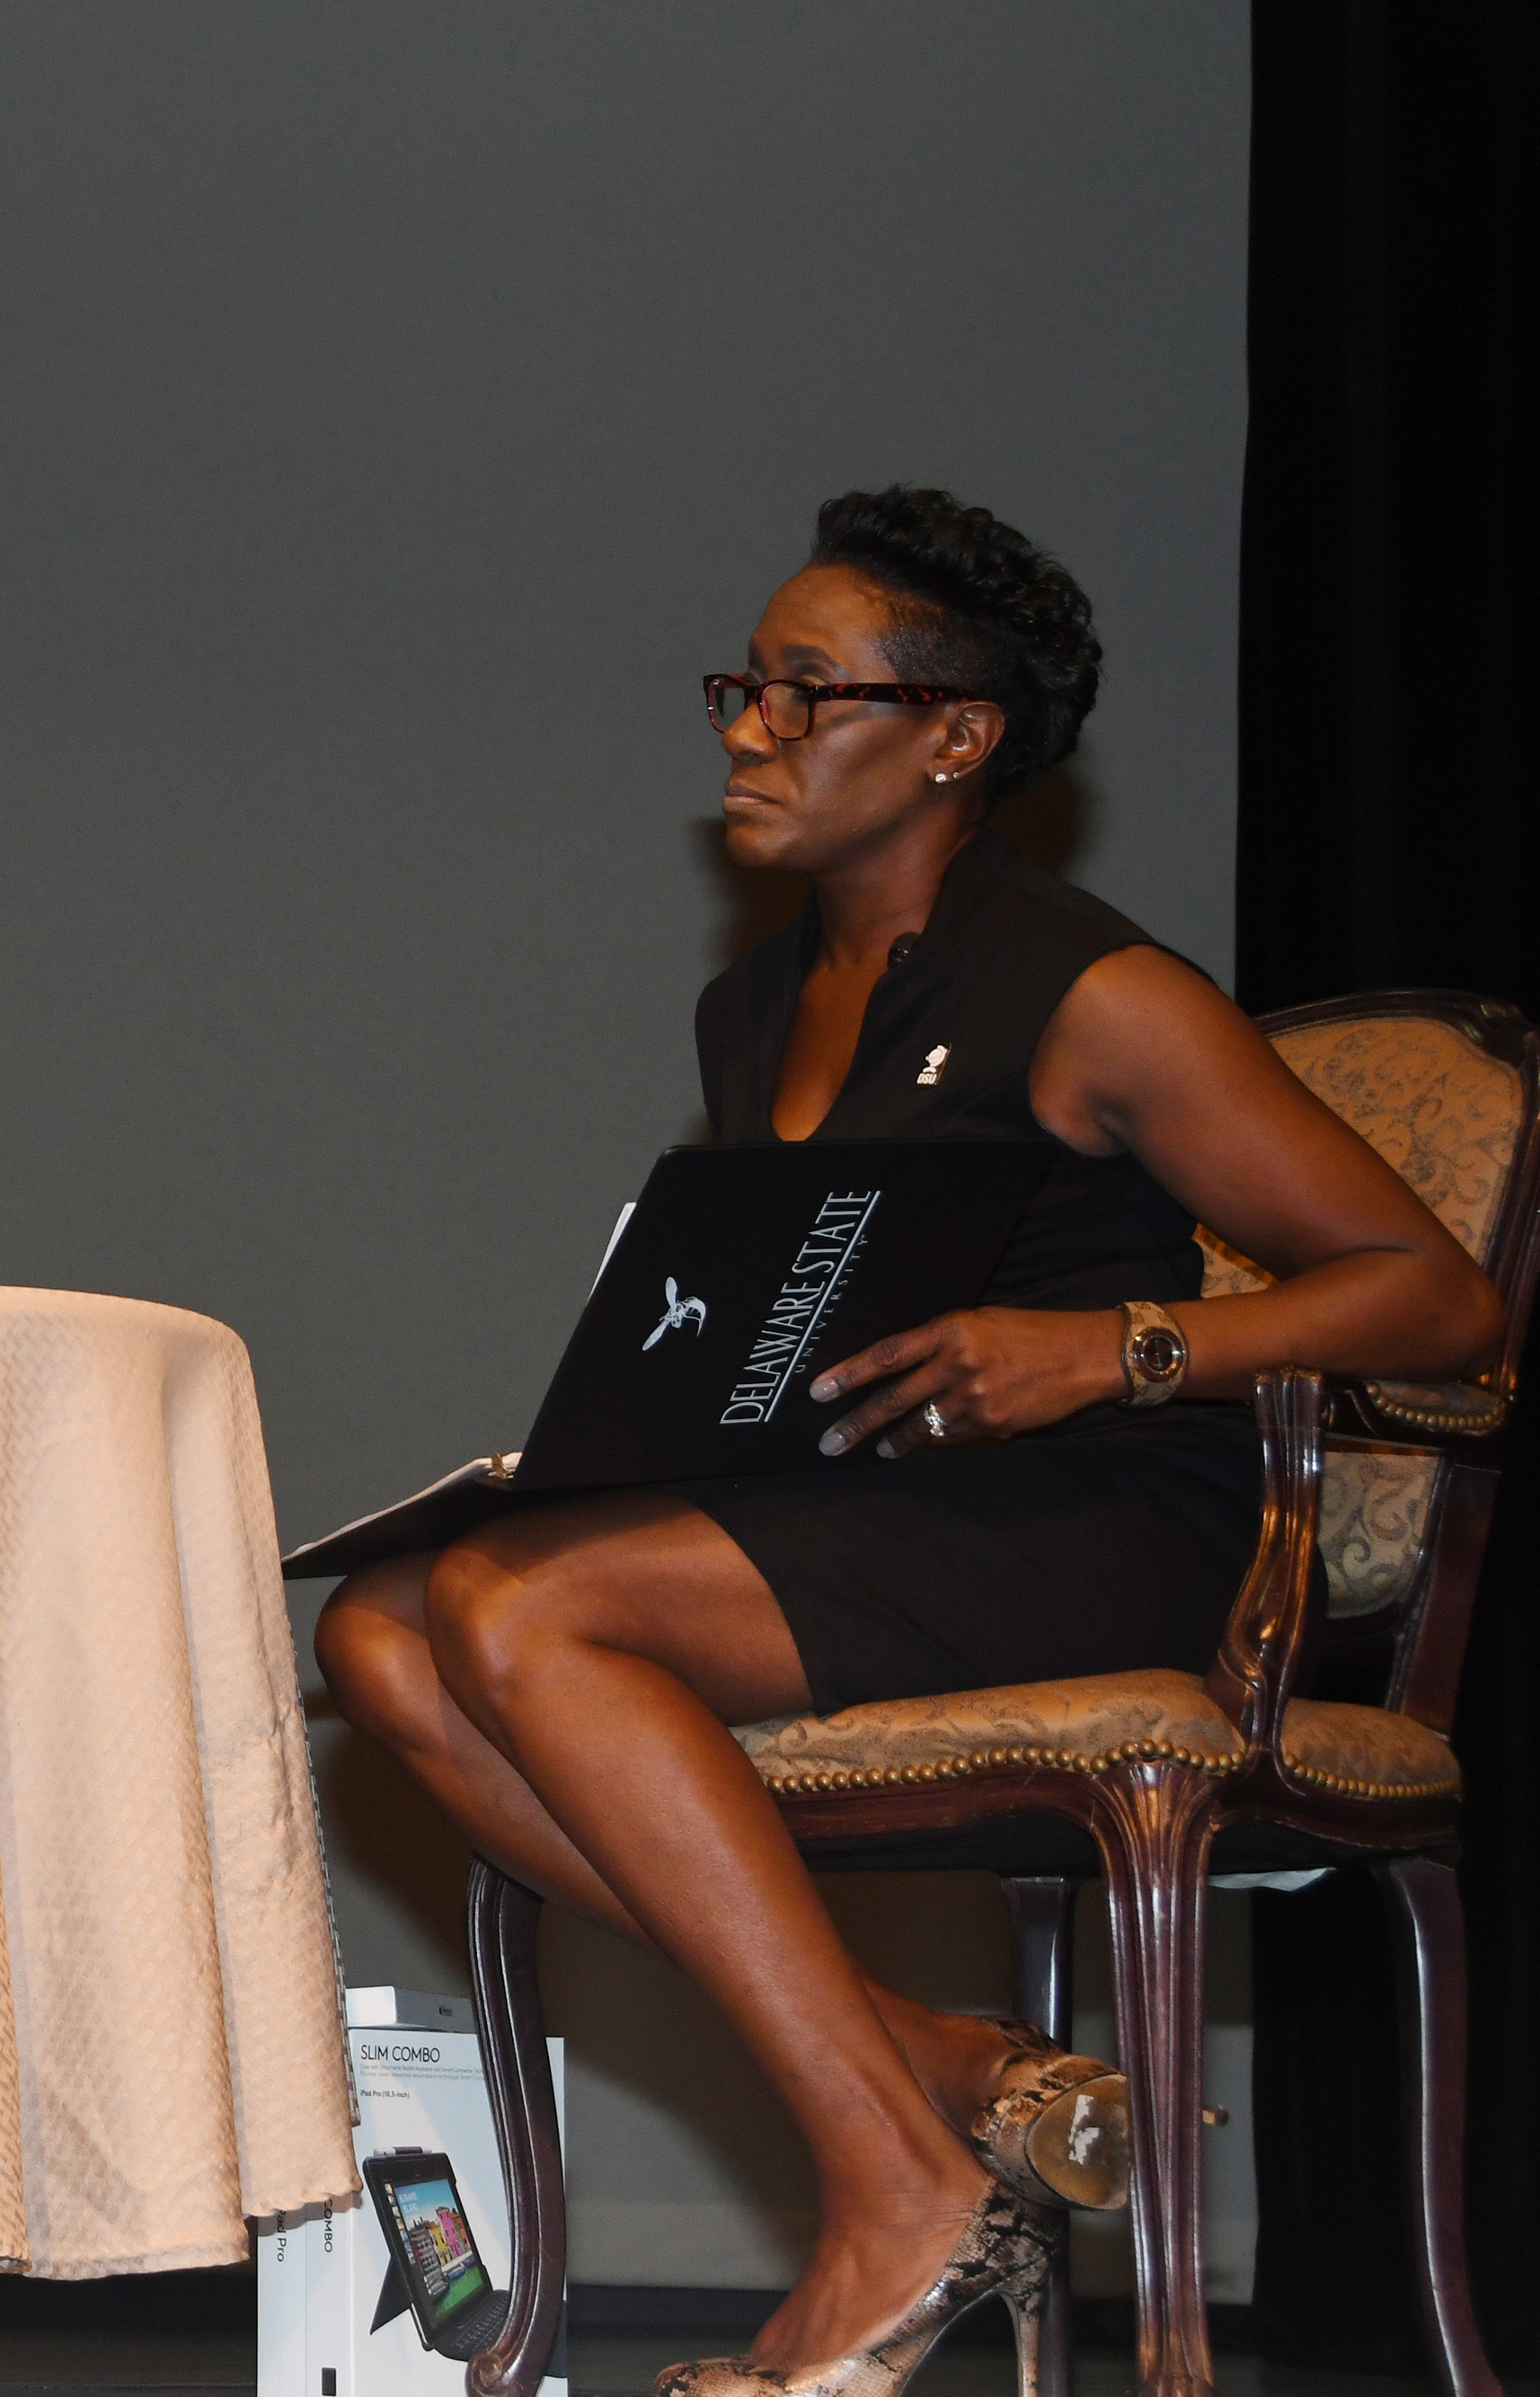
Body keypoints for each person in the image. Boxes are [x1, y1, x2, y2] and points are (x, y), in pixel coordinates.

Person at [315, 488, 1503, 2397]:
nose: (744, 726)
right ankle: (937, 2066)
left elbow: (1433, 1297)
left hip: (1109, 1510)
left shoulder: (1090, 991)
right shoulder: (755, 1001)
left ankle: (890, 2171)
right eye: (741, 685)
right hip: (888, 1503)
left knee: (523, 1621)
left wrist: (1111, 1347)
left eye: (803, 691)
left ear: (953, 734)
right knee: (377, 1633)